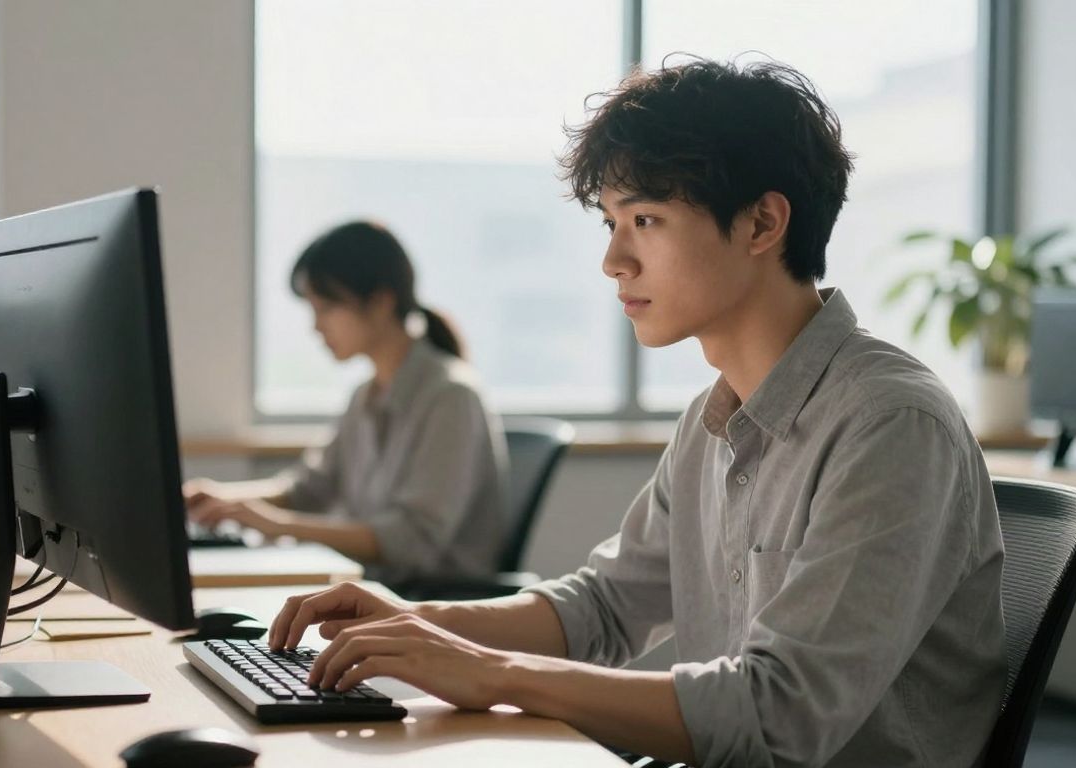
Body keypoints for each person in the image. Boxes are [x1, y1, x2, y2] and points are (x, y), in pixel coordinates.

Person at [266, 59, 1007, 768]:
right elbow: (604, 609)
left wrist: (494, 673)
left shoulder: (890, 423)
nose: (613, 260)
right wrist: (413, 621)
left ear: (761, 224)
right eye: (610, 223)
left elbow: (779, 716)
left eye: (645, 219)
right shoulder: (710, 422)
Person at [184, 221, 508, 585]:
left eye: (326, 308)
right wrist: (223, 499)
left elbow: (412, 540)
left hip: (429, 599)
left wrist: (279, 525)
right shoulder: (366, 395)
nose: (316, 327)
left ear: (381, 302)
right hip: (375, 588)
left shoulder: (451, 396)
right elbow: (309, 489)